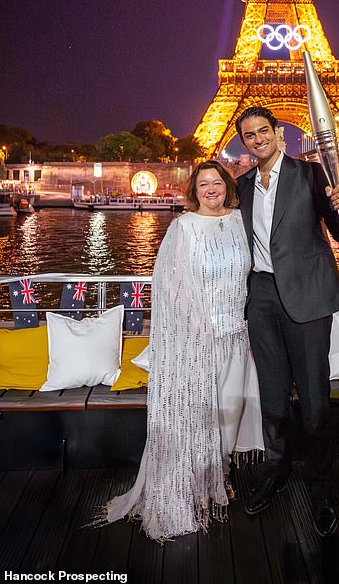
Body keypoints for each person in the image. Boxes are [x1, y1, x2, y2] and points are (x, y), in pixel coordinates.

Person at [100, 160, 263, 541]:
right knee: (201, 415)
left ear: (227, 185)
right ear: (195, 189)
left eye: (217, 182)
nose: (210, 189)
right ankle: (198, 485)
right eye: (203, 183)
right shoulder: (183, 227)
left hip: (238, 337)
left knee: (228, 414)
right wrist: (195, 331)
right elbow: (170, 287)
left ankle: (217, 476)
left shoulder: (242, 222)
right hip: (199, 341)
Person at [235, 106, 339, 538]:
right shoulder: (243, 186)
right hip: (261, 298)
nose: (256, 139)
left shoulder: (310, 175)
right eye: (248, 135)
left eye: (262, 131)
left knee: (315, 400)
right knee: (271, 396)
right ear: (243, 141)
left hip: (306, 296)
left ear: (278, 132)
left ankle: (321, 489)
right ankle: (277, 469)